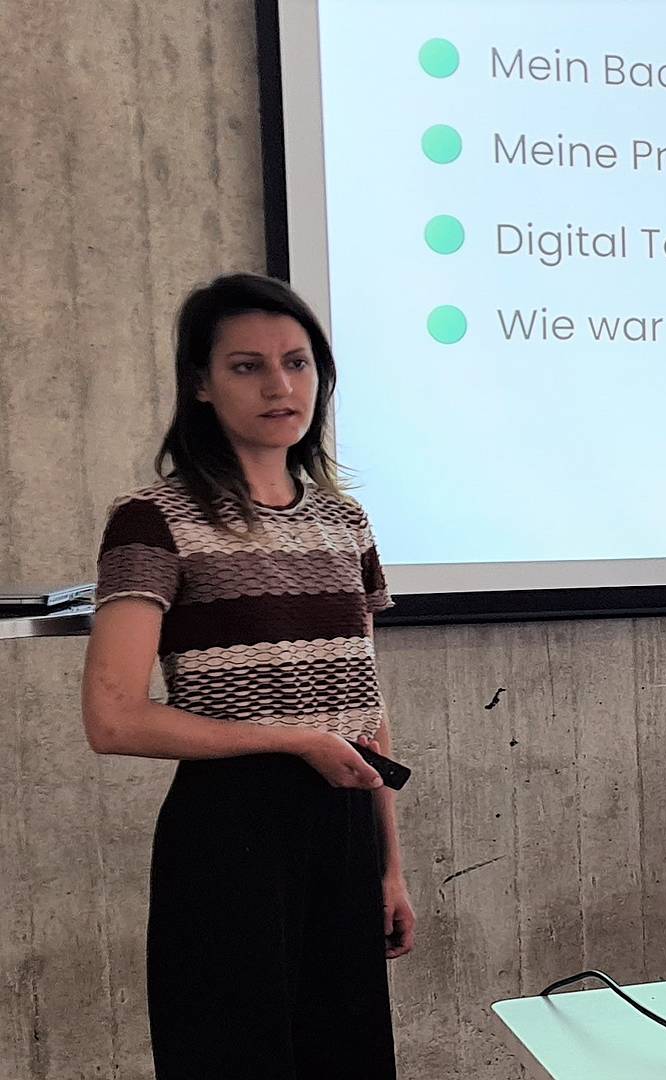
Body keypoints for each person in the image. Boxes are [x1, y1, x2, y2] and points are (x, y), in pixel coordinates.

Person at [80, 272, 412, 1078]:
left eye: (297, 363)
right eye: (246, 366)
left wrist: (389, 865)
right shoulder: (153, 520)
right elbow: (113, 718)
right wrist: (292, 740)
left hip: (344, 827)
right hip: (230, 831)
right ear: (200, 383)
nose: (279, 386)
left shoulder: (345, 522)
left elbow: (364, 707)